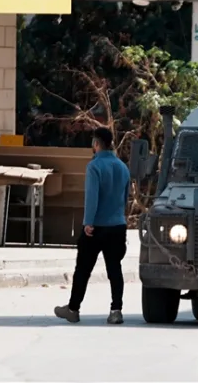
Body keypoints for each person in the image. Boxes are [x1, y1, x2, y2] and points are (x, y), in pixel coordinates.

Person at [55, 128, 131, 325]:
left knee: (83, 269)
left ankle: (73, 309)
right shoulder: (123, 167)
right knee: (115, 269)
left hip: (96, 226)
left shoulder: (94, 166)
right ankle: (116, 310)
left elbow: (92, 197)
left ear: (96, 143)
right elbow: (125, 198)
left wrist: (88, 222)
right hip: (117, 225)